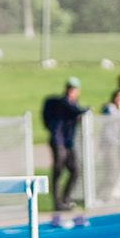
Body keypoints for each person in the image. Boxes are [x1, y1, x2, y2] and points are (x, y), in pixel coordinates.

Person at [42, 78, 87, 224]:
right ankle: (57, 202)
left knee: (75, 169)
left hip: (68, 142)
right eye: (69, 88)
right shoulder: (61, 103)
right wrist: (86, 111)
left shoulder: (74, 103)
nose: (71, 91)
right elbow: (73, 110)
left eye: (74, 89)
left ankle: (65, 199)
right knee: (58, 170)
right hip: (58, 141)